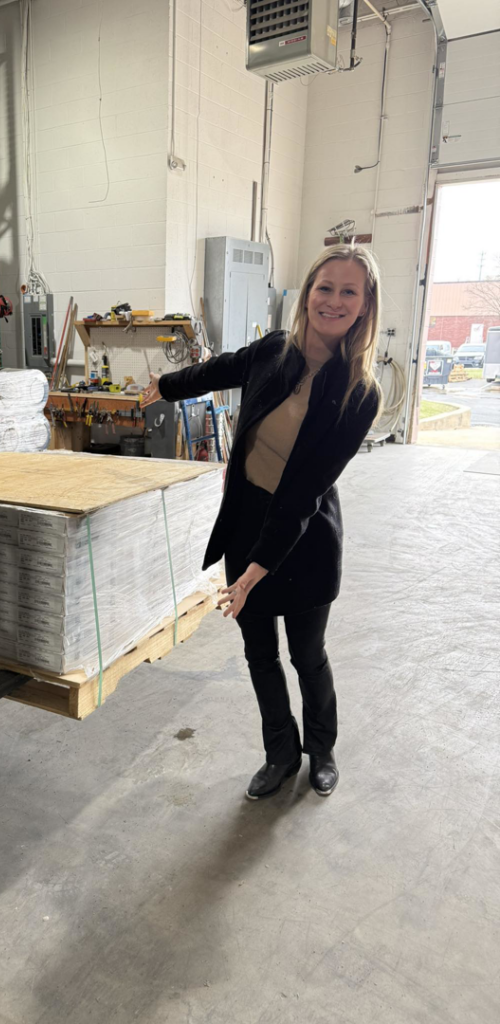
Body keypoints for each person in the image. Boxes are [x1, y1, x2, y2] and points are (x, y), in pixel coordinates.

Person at [142, 244, 382, 800]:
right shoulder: (275, 350)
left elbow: (304, 491)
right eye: (325, 287)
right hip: (247, 522)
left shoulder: (359, 393)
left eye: (349, 291)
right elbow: (220, 368)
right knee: (259, 653)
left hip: (305, 538)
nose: (334, 301)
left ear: (365, 306)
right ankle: (280, 754)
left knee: (307, 655)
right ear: (308, 293)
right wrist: (168, 385)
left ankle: (321, 750)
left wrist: (255, 572)